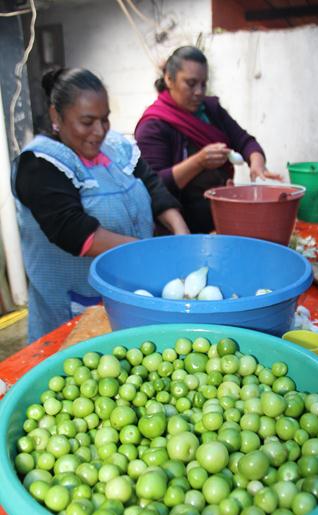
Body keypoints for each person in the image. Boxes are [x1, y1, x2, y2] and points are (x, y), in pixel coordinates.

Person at [12, 68, 189, 342]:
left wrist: (181, 234)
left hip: (130, 300)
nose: (99, 131)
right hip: (72, 310)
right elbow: (74, 230)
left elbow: (153, 186)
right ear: (56, 116)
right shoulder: (38, 164)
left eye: (105, 119)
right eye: (87, 121)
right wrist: (149, 253)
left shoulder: (116, 147)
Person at [135, 45, 282, 233]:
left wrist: (257, 164)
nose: (199, 92)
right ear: (169, 80)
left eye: (203, 84)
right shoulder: (153, 126)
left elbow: (245, 141)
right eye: (191, 83)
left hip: (219, 221)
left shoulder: (211, 110)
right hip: (179, 231)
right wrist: (198, 162)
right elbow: (153, 186)